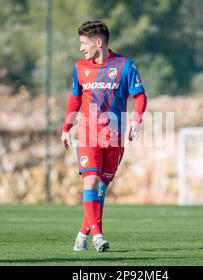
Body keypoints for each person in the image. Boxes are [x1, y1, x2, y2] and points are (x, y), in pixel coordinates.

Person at [61, 20, 147, 252]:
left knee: (101, 187)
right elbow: (75, 99)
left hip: (115, 137)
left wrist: (136, 119)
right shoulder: (79, 67)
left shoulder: (125, 65)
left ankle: (82, 234)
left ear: (98, 42)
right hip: (88, 134)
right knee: (90, 180)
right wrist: (66, 127)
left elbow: (140, 97)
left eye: (83, 43)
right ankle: (98, 236)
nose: (81, 48)